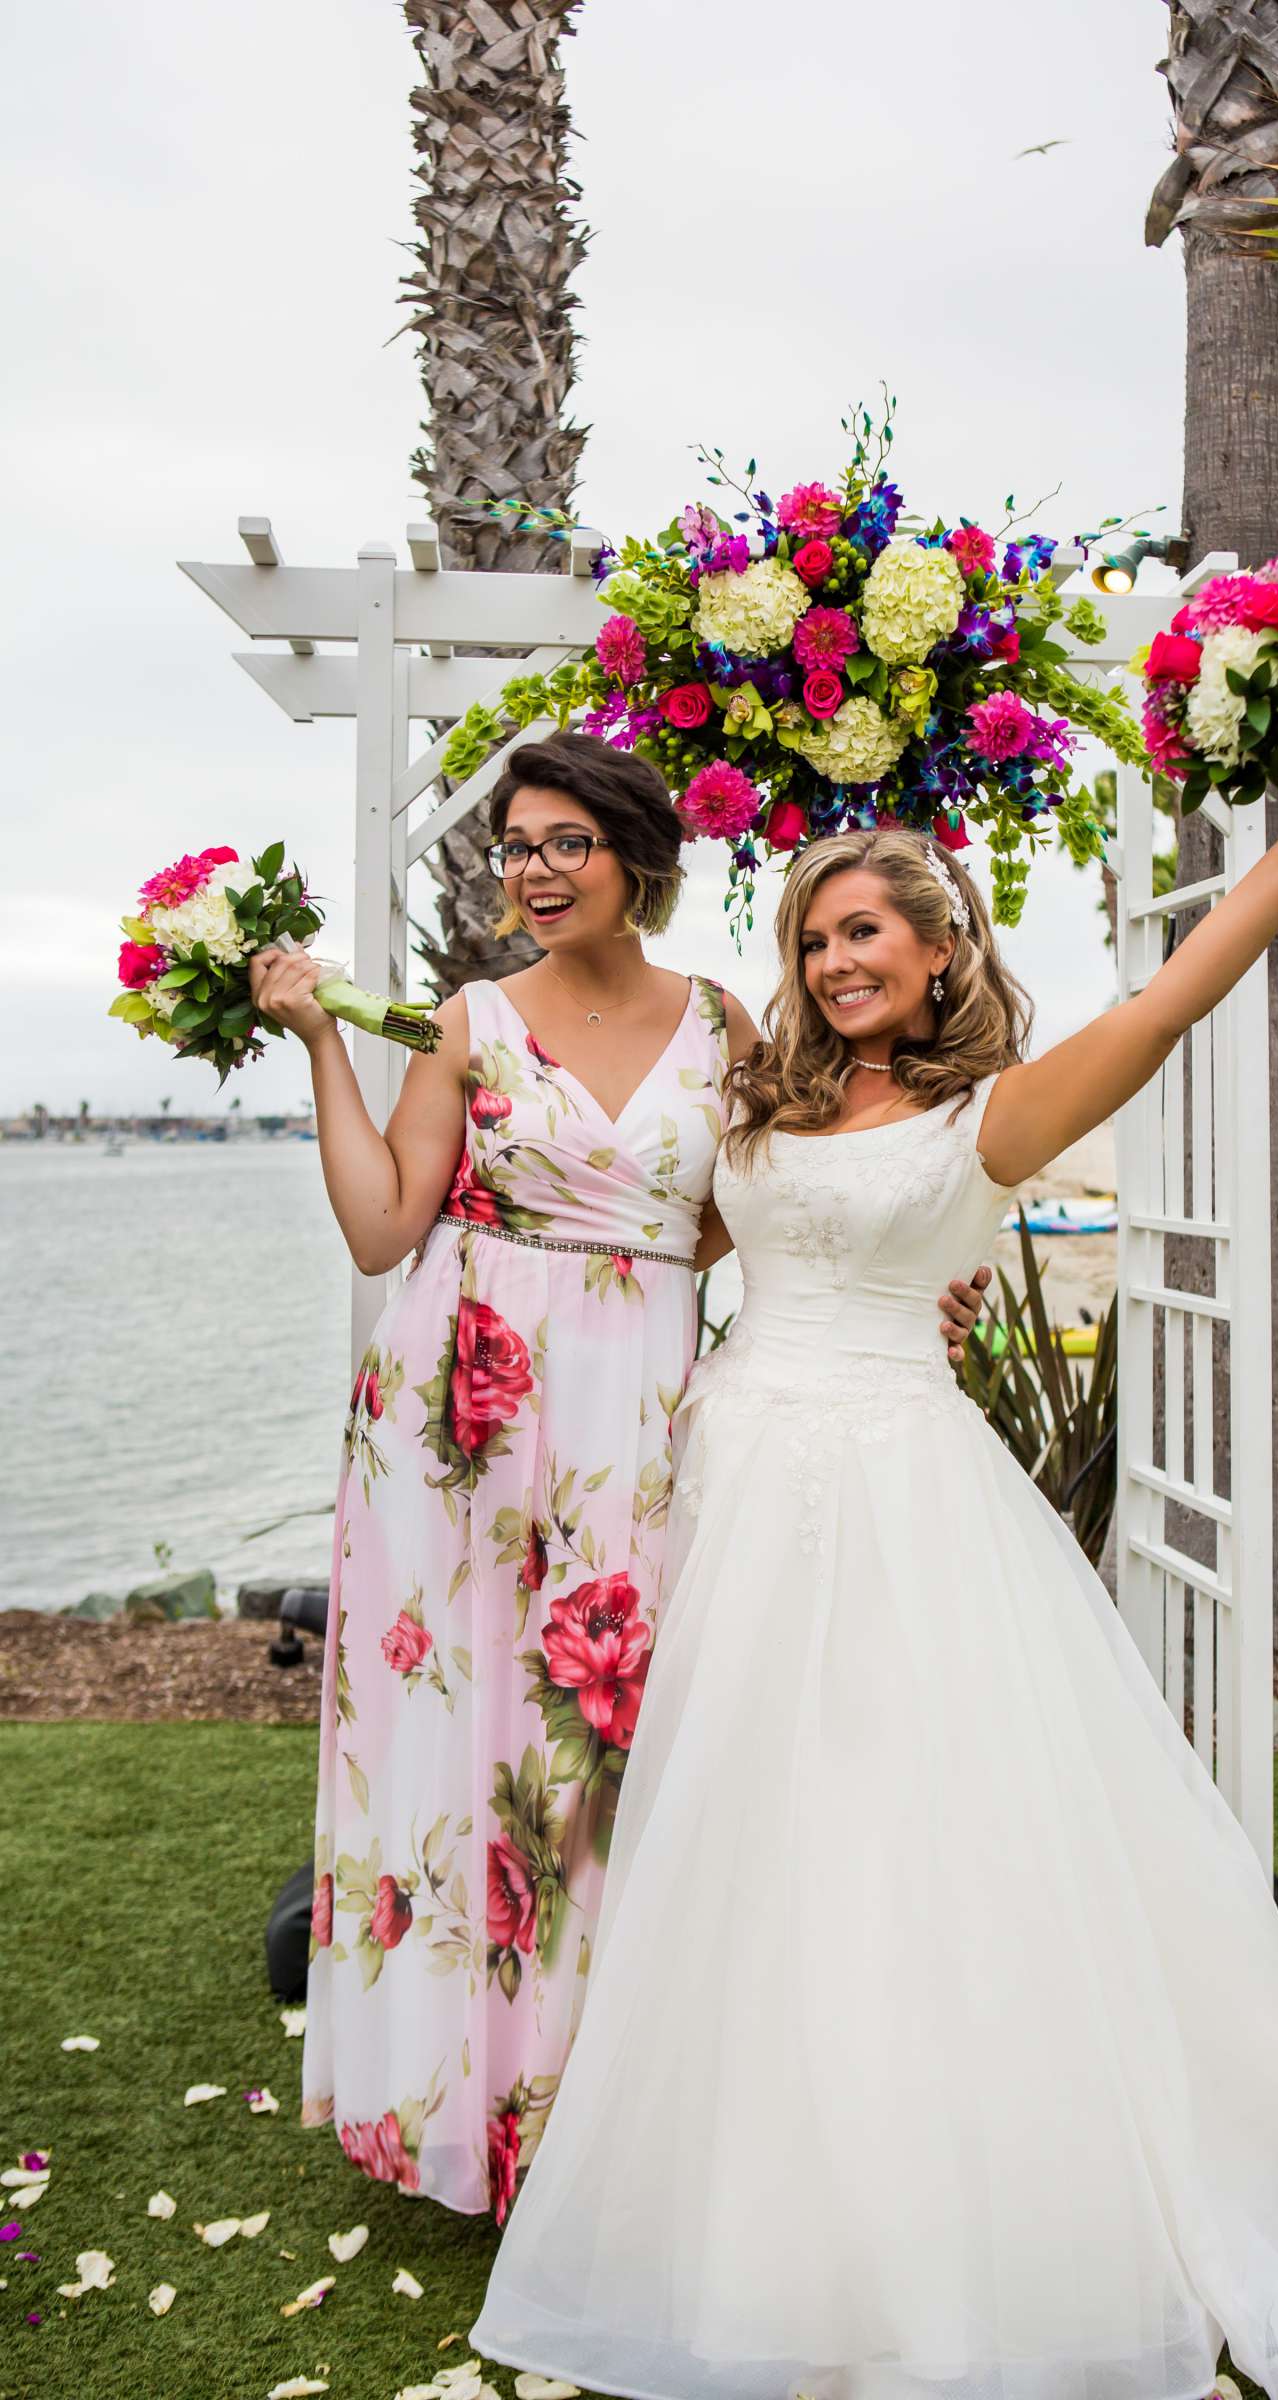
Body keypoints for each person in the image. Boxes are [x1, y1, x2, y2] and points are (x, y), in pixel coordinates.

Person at [473, 723, 1278, 2400]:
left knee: (915, 1838)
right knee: (750, 1840)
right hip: (732, 1476)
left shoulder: (996, 1115)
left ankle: (957, 2184)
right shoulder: (761, 1089)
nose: (836, 962)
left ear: (943, 949)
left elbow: (1164, 1005)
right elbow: (665, 1232)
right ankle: (763, 2196)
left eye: (867, 934)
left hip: (901, 1491)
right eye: (815, 939)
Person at [249, 730, 988, 2216]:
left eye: (565, 842)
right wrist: (326, 1042)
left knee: (610, 1750)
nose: (534, 870)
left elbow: (778, 1201)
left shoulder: (728, 1026)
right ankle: (459, 2109)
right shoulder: (466, 1019)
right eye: (517, 845)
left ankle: (608, 2109)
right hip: (456, 1419)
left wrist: (915, 1281)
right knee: (459, 1743)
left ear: (634, 855)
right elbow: (383, 1224)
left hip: (643, 1408)